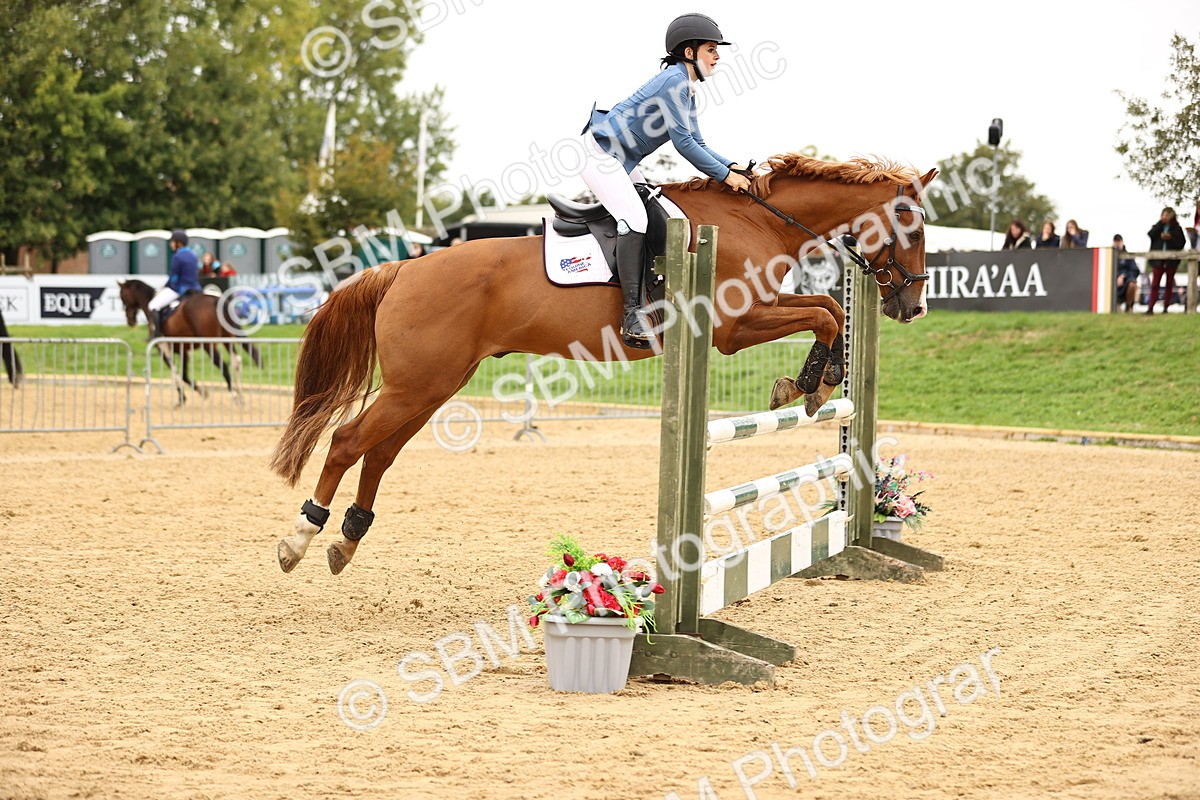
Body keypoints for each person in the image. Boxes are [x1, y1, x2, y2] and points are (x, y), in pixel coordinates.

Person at [580, 13, 751, 348]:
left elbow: (698, 142)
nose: (717, 57)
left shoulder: (686, 88)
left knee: (658, 209)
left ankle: (651, 293)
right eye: (711, 49)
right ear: (689, 53)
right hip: (599, 156)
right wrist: (726, 176)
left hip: (619, 160)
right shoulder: (675, 83)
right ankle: (631, 315)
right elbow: (683, 144)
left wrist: (732, 166)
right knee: (635, 219)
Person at [147, 229, 200, 337]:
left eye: (172, 242)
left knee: (153, 305)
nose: (170, 244)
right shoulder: (193, 254)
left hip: (180, 289)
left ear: (178, 243)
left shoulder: (177, 256)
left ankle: (157, 334)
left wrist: (165, 286)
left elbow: (174, 278)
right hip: (196, 287)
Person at [1145, 207, 1186, 314]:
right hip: (1158, 260)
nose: (1165, 217)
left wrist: (1170, 239)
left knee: (1169, 284)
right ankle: (1150, 307)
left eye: (1167, 215)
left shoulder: (1177, 229)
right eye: (1163, 214)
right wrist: (1160, 224)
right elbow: (1150, 234)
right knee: (1155, 284)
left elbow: (1181, 244)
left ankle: (1166, 307)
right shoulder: (1157, 227)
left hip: (1171, 261)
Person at [1113, 234, 1140, 313]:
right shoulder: (1109, 255)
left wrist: (1123, 276)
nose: (1117, 244)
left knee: (1132, 284)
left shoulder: (1127, 256)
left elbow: (1134, 270)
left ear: (1122, 242)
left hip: (1125, 283)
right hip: (1111, 283)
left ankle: (1128, 306)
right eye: (1116, 241)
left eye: (1119, 241)